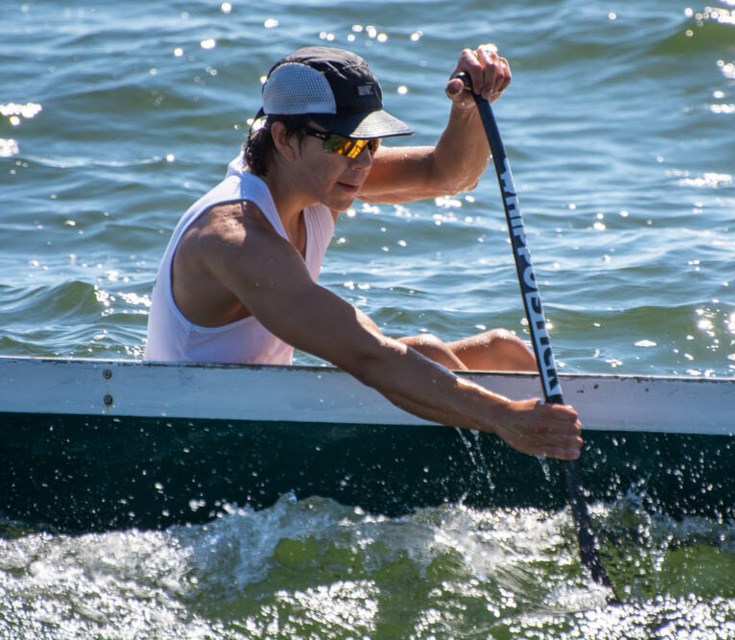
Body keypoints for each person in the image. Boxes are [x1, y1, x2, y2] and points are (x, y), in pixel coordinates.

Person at [145, 45, 582, 460]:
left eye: (370, 144)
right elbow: (369, 354)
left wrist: (468, 106)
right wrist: (503, 418)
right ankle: (527, 451)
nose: (361, 164)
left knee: (502, 351)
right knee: (428, 359)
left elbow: (447, 174)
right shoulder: (235, 240)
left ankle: (566, 438)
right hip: (193, 437)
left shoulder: (313, 176)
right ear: (282, 138)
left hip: (265, 408)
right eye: (345, 144)